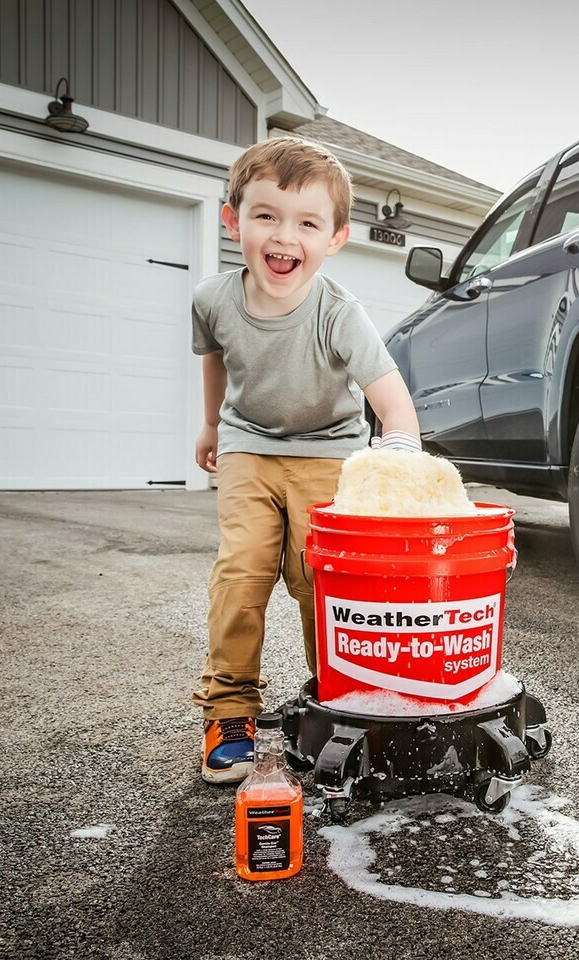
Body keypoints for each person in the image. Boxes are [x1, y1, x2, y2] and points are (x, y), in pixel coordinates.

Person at [191, 136, 420, 784]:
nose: (284, 236)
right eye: (266, 216)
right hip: (247, 447)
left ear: (337, 237)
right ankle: (229, 709)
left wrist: (397, 464)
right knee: (242, 571)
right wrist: (211, 423)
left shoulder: (339, 313)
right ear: (233, 219)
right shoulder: (213, 300)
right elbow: (215, 354)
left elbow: (395, 406)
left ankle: (339, 700)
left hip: (327, 451)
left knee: (320, 580)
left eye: (307, 223)